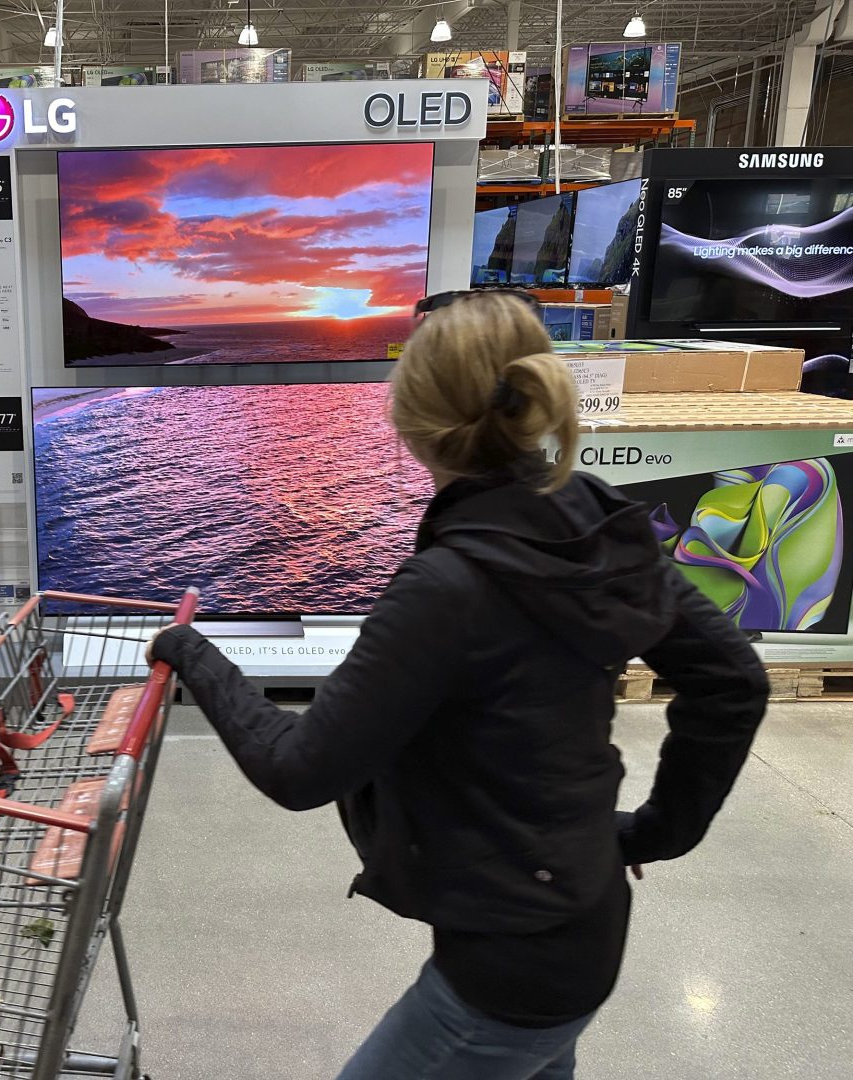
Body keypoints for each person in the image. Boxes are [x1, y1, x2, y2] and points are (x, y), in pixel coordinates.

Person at [147, 291, 769, 1079]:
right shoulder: (595, 524)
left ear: (409, 422)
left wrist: (191, 652)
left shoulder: (447, 586)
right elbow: (733, 681)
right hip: (585, 915)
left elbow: (299, 769)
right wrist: (650, 833)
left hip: (504, 976)